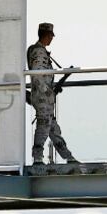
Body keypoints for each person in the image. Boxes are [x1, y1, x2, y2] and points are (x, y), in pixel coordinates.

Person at [27, 22, 78, 166]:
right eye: (50, 36)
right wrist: (47, 92)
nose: (51, 39)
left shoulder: (38, 50)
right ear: (47, 35)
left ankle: (68, 157)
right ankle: (37, 158)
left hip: (45, 96)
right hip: (43, 97)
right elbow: (38, 76)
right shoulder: (39, 52)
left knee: (53, 128)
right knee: (44, 126)